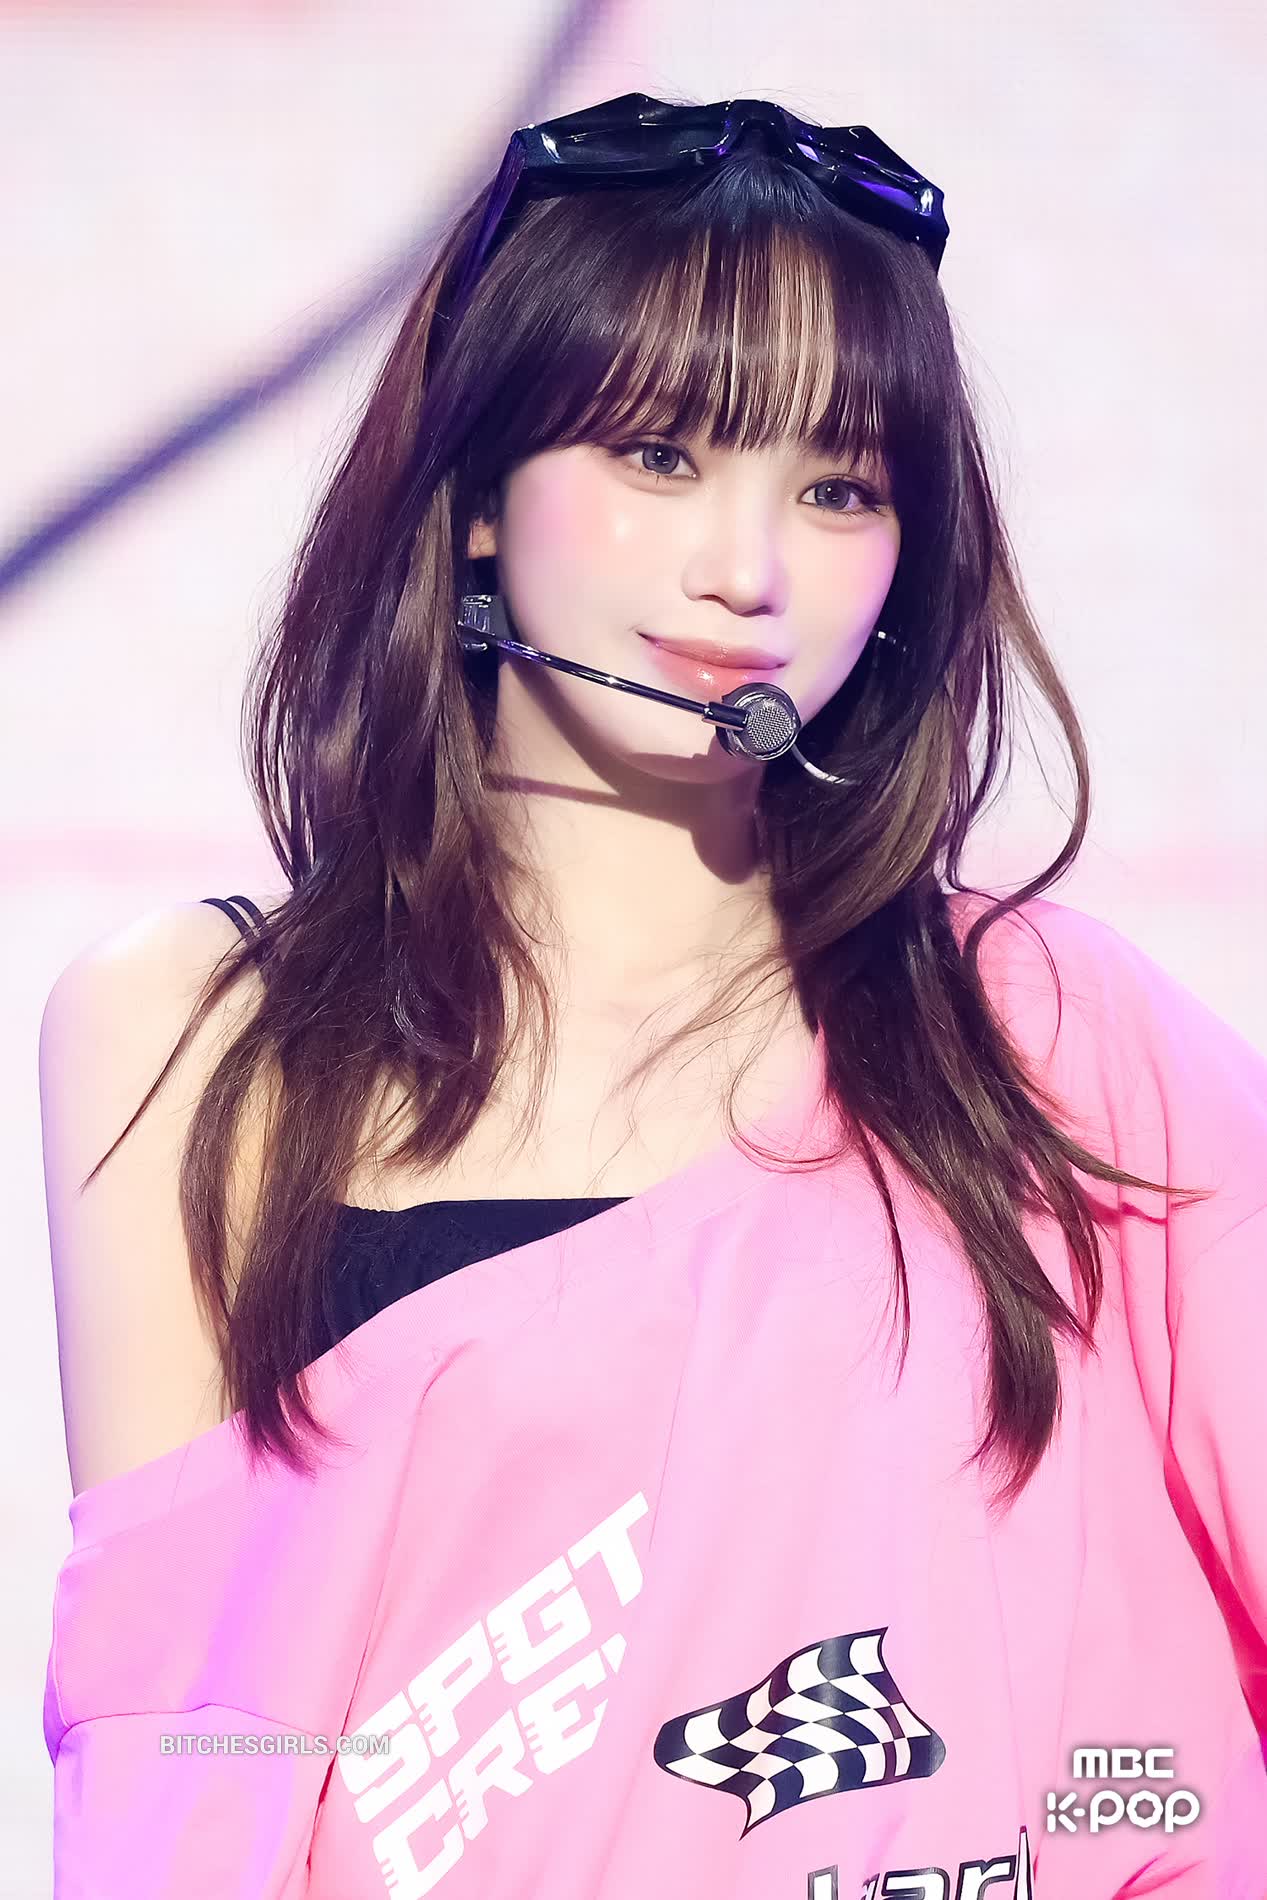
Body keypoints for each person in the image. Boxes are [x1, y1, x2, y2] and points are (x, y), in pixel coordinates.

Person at [38, 92, 1267, 1899]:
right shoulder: (194, 1032)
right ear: (478, 496)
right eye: (658, 454)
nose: (745, 573)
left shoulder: (1047, 1032)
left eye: (838, 490)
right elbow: (188, 1734)